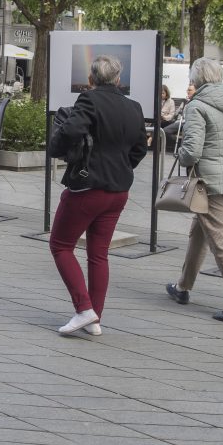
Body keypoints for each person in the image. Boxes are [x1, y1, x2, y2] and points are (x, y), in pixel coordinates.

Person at [48, 55, 148, 336]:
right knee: (99, 254)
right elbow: (140, 148)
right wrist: (122, 166)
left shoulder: (88, 100)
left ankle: (83, 308)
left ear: (91, 80)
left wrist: (65, 149)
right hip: (119, 190)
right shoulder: (134, 107)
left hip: (87, 186)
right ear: (118, 79)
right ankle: (94, 318)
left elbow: (70, 130)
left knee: (61, 245)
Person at [165, 57, 223, 322]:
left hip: (210, 183)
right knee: (200, 232)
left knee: (220, 241)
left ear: (198, 79)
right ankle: (183, 287)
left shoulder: (197, 107)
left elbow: (191, 152)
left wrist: (179, 154)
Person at [163, 83, 195, 151]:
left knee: (167, 131)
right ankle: (178, 144)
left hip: (187, 123)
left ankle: (180, 146)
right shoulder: (185, 101)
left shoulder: (195, 102)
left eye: (190, 90)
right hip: (179, 122)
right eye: (187, 90)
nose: (187, 91)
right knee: (165, 130)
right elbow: (176, 113)